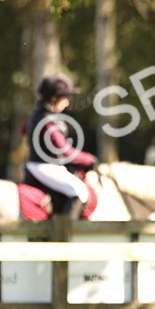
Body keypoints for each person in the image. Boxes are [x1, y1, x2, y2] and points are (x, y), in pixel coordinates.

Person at [23, 74, 96, 218]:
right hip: (45, 166)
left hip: (36, 164)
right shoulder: (48, 120)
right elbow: (65, 151)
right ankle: (63, 235)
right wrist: (89, 159)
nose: (68, 103)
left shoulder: (37, 114)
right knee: (80, 191)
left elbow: (23, 131)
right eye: (66, 98)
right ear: (53, 98)